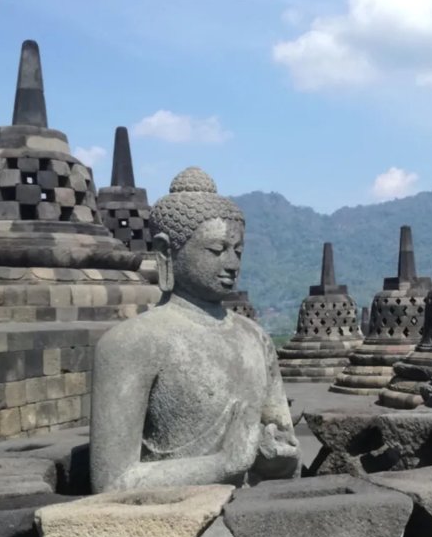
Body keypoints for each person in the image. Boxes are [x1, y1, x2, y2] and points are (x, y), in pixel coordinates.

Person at [89, 167, 300, 492]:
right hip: (173, 516)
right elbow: (111, 480)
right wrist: (223, 464)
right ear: (166, 251)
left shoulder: (255, 338)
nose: (232, 264)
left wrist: (278, 457)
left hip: (255, 509)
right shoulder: (131, 343)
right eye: (216, 250)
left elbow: (288, 451)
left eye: (238, 251)